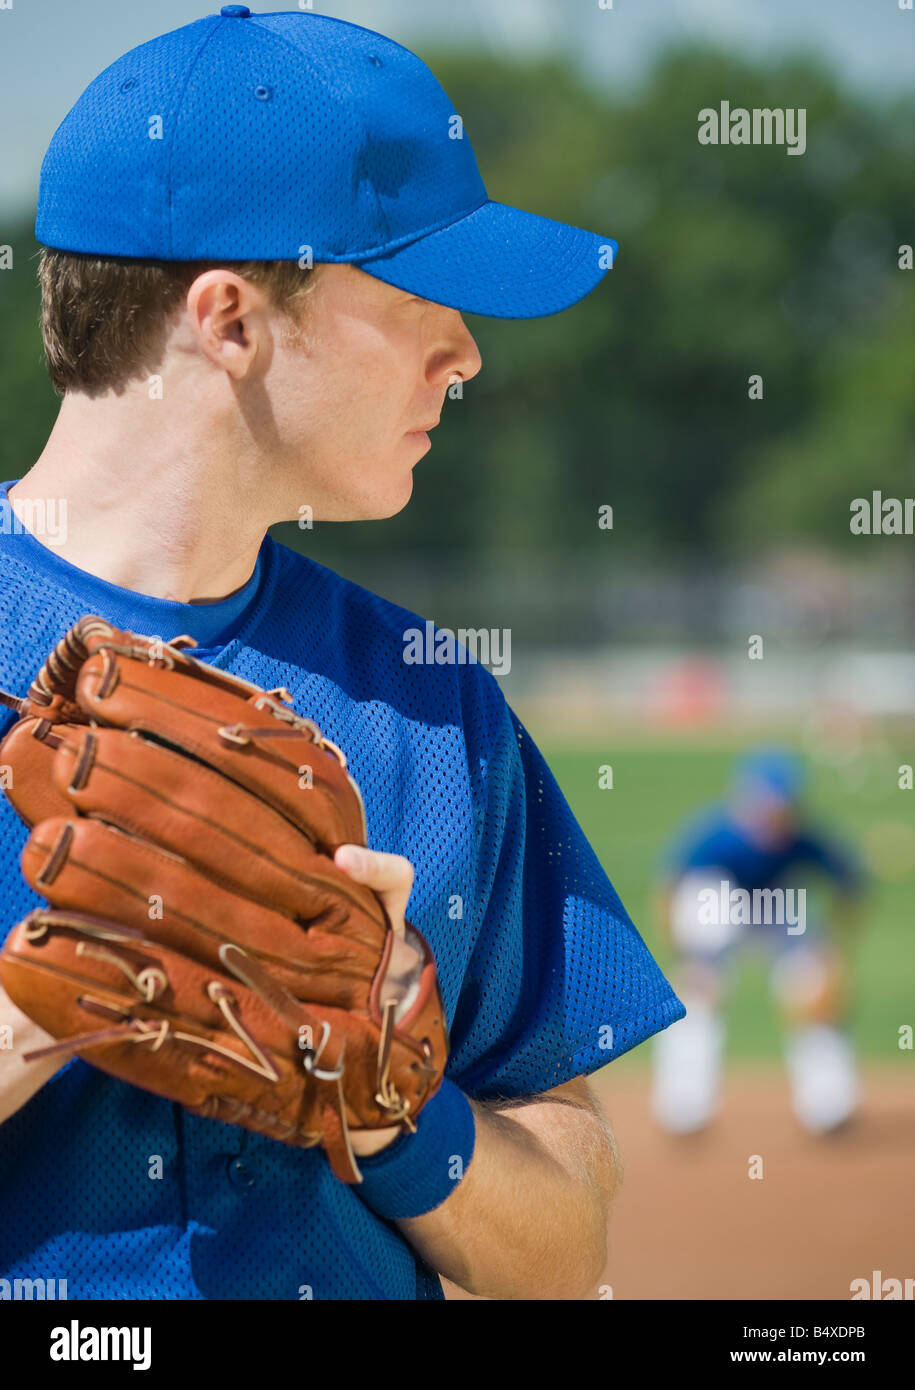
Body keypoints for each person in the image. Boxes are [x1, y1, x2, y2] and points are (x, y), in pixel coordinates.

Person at [0, 8, 684, 1300]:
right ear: (232, 319)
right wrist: (56, 1004)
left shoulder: (430, 700)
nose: (467, 353)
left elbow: (565, 1245)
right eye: (423, 295)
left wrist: (390, 1101)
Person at [651, 748, 865, 1137]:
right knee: (698, 995)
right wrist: (684, 955)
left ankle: (830, 1105)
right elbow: (669, 889)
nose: (772, 815)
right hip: (715, 897)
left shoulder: (805, 839)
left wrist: (831, 953)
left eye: (780, 807)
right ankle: (685, 1108)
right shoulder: (715, 836)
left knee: (816, 993)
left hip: (777, 904)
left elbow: (851, 887)